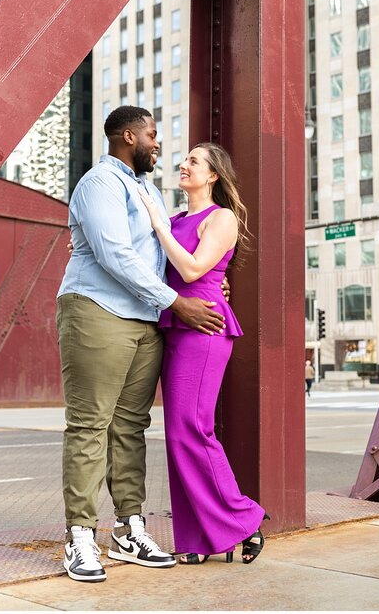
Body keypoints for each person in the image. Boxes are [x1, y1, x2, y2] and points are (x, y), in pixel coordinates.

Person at [56, 106, 227, 583]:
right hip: (99, 311)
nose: (158, 145)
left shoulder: (148, 191)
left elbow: (170, 255)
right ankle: (80, 535)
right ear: (128, 136)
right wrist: (177, 302)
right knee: (90, 425)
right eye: (152, 135)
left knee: (130, 428)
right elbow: (115, 253)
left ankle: (129, 528)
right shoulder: (99, 185)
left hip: (146, 319)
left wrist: (207, 289)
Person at [137, 142, 269, 566]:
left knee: (193, 428)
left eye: (194, 161)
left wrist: (158, 226)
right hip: (175, 326)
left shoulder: (222, 218)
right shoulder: (178, 219)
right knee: (177, 437)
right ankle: (196, 538)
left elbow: (193, 270)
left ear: (213, 175)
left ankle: (244, 520)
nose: (183, 163)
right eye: (185, 158)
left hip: (205, 329)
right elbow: (153, 267)